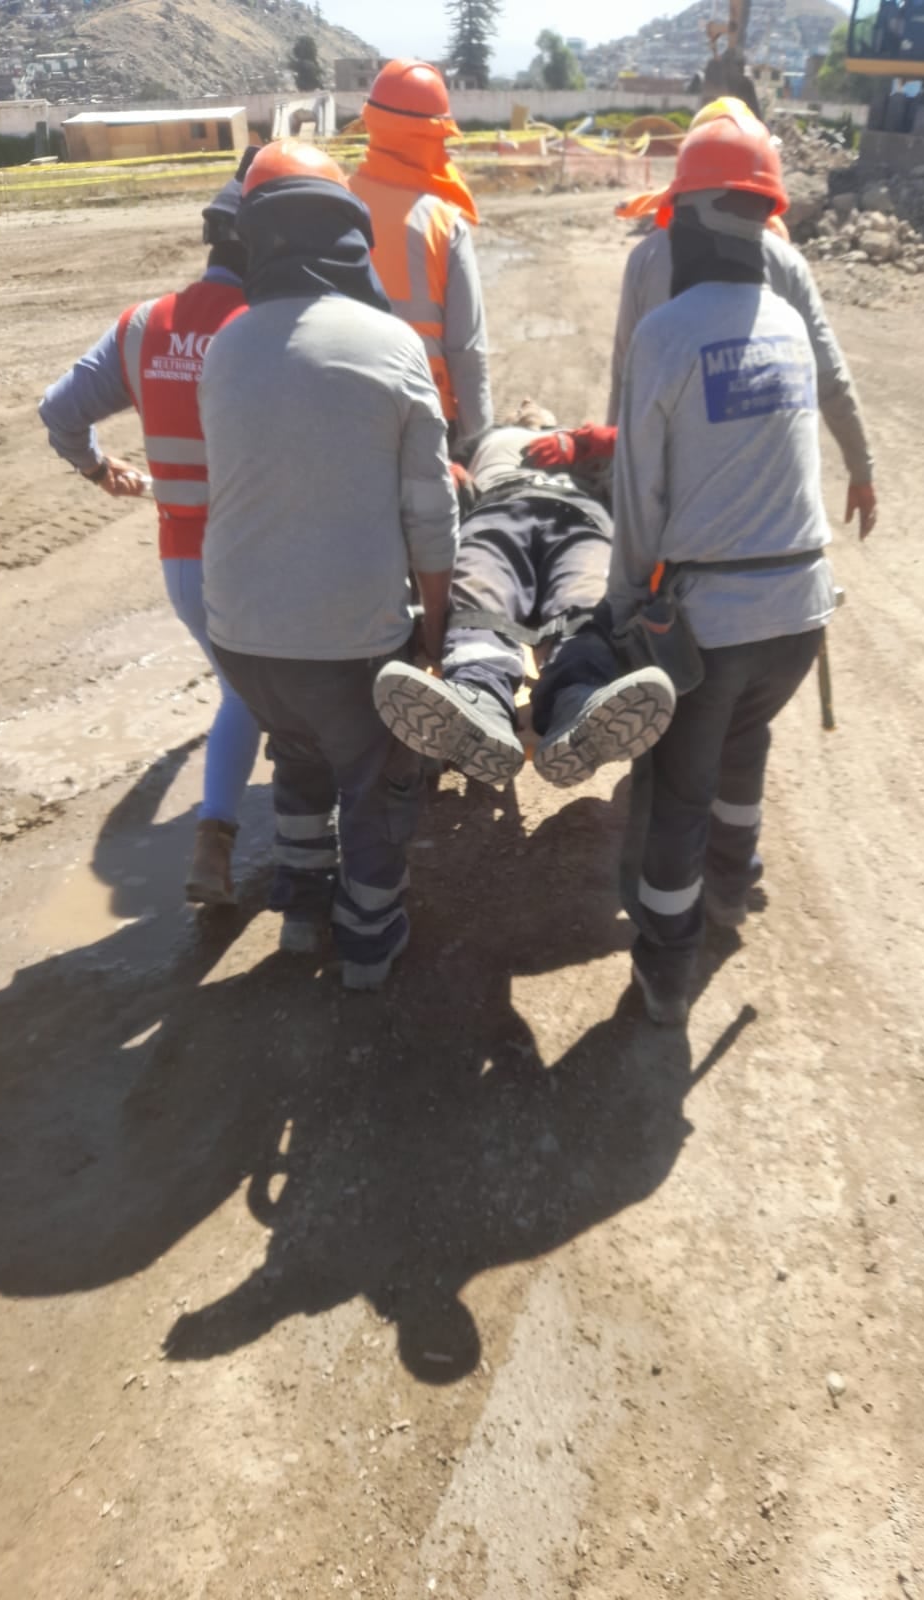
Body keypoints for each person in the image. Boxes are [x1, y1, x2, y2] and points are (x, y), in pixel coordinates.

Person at [554, 111, 874, 1028]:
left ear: (683, 219)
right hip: (801, 615)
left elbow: (639, 499)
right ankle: (734, 891)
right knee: (746, 746)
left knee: (679, 795)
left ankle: (663, 969)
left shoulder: (665, 334)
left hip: (716, 625)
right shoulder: (784, 320)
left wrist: (620, 614)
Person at [199, 141, 458, 991]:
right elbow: (431, 514)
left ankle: (303, 908)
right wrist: (434, 636)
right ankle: (369, 942)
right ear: (348, 235)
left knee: (300, 754)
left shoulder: (227, 347)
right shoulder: (390, 344)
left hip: (238, 636)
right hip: (349, 640)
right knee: (377, 778)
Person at [38, 157, 262, 908]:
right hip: (257, 557)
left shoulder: (141, 327)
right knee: (267, 694)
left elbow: (58, 411)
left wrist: (101, 471)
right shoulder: (265, 330)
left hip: (183, 567)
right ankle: (228, 837)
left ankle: (222, 830)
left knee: (240, 688)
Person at [609, 98, 879, 541]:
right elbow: (830, 377)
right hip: (774, 520)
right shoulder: (786, 262)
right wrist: (860, 469)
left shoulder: (644, 260)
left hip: (675, 509)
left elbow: (625, 381)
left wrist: (616, 483)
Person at [373, 404, 674, 787]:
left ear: (552, 419)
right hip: (497, 509)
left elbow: (639, 450)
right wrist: (446, 471)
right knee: (482, 591)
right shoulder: (486, 439)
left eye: (536, 406)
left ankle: (576, 699)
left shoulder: (580, 441)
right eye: (523, 405)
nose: (529, 405)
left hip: (578, 518)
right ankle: (481, 696)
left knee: (585, 600)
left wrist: (582, 442)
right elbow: (429, 463)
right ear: (512, 417)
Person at [349, 58, 492, 446]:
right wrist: (478, 435)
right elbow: (467, 348)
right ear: (430, 137)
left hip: (345, 410)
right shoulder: (443, 223)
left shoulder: (335, 203)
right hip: (427, 420)